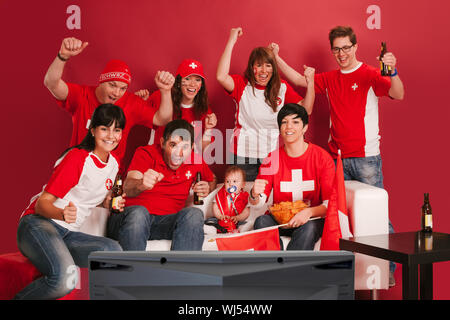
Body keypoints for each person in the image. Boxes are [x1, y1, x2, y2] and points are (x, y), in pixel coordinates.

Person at [270, 25, 404, 282]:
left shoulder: (370, 74)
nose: (341, 54)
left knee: (376, 217)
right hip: (336, 158)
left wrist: (394, 70)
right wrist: (277, 59)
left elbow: (398, 93)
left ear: (355, 47)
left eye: (346, 48)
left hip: (366, 158)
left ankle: (386, 272)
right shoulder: (330, 78)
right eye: (336, 49)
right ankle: (345, 275)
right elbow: (301, 80)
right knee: (337, 218)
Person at [15, 104, 126, 299]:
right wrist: (62, 214)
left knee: (113, 251)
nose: (111, 135)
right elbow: (42, 204)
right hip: (38, 224)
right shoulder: (78, 158)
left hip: (68, 234)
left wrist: (107, 203)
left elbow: (87, 194)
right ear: (92, 130)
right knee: (64, 279)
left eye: (117, 130)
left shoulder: (114, 164)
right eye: (104, 128)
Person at [43, 37, 175, 171]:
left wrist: (165, 91)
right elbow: (51, 83)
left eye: (123, 88)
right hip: (79, 171)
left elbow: (163, 119)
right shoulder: (82, 95)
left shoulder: (132, 102)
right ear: (102, 81)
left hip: (113, 175)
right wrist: (62, 56)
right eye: (112, 85)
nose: (117, 93)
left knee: (117, 190)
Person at [216, 27, 315, 181]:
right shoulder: (242, 85)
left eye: (268, 65)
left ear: (273, 68)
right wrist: (232, 40)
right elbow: (221, 76)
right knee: (242, 198)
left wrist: (310, 84)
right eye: (259, 65)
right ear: (252, 68)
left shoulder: (281, 87)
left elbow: (306, 109)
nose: (264, 70)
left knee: (267, 200)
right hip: (242, 154)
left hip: (269, 155)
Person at [107, 119, 217, 250]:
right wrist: (141, 184)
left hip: (165, 223)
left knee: (194, 214)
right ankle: (134, 270)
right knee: (140, 213)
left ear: (192, 147)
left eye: (185, 147)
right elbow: (127, 186)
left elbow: (213, 179)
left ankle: (183, 269)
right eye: (173, 144)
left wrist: (208, 187)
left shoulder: (196, 161)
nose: (179, 153)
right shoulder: (146, 153)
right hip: (130, 219)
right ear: (162, 143)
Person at [250, 104, 335, 250]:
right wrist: (254, 194)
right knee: (261, 222)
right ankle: (276, 265)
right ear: (280, 128)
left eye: (295, 122)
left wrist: (308, 212)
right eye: (284, 122)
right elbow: (259, 201)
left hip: (310, 220)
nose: (289, 127)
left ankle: (290, 271)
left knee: (309, 228)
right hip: (280, 220)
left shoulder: (322, 158)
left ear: (305, 127)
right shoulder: (272, 159)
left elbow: (330, 204)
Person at [135, 59, 218, 153]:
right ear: (178, 82)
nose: (193, 84)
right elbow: (138, 116)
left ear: (201, 84)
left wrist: (208, 129)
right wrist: (140, 102)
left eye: (197, 80)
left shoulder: (204, 110)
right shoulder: (161, 96)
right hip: (159, 157)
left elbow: (202, 150)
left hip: (186, 162)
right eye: (187, 78)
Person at [209, 165, 250, 233]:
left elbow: (246, 212)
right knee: (210, 221)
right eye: (227, 181)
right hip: (221, 219)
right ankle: (212, 230)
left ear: (243, 184)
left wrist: (238, 217)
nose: (230, 184)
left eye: (234, 181)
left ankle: (238, 230)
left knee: (245, 224)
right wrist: (220, 216)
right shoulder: (221, 194)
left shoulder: (244, 196)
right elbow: (215, 206)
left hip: (237, 221)